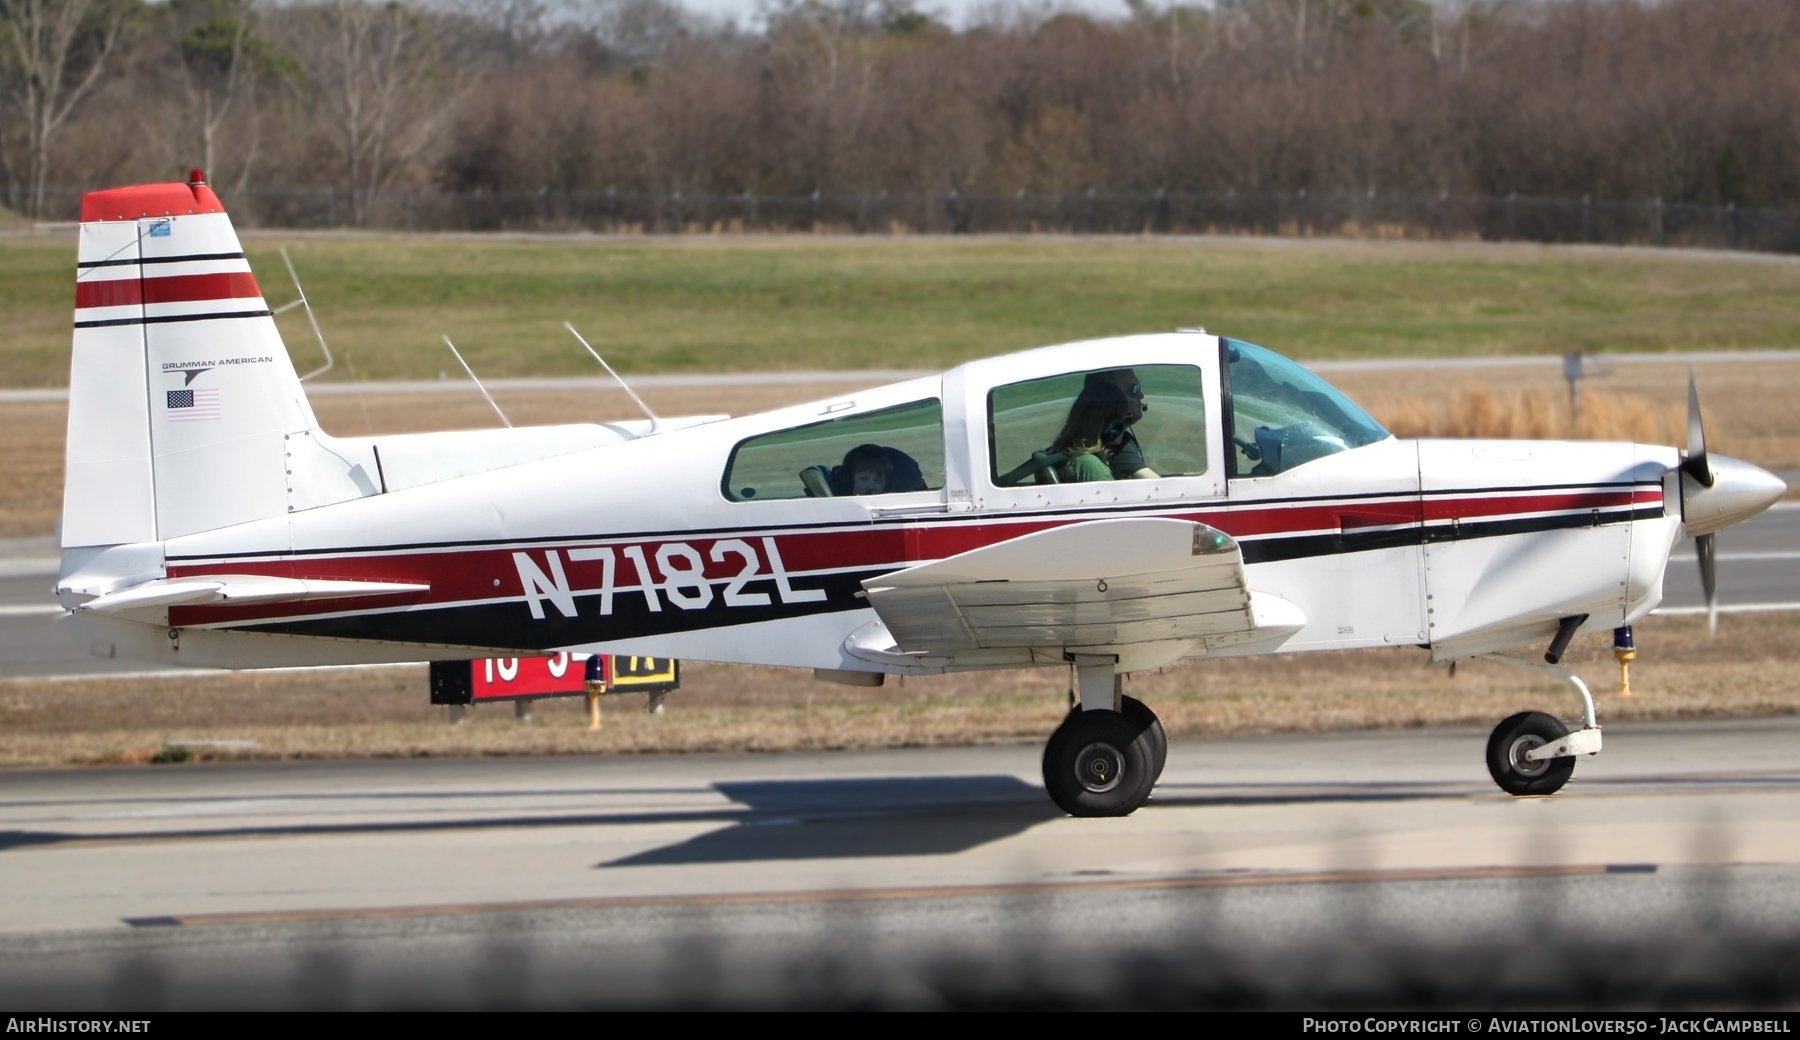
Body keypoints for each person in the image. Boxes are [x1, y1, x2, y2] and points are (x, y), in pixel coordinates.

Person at [1048, 381, 1132, 483]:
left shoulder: (1068, 454)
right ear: (1111, 427)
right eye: (1124, 420)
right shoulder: (1089, 465)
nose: (1125, 427)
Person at [1082, 369, 1158, 479]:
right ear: (1107, 400)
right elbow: (1161, 488)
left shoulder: (1121, 439)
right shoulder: (1115, 452)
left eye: (1139, 387)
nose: (1141, 395)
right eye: (1134, 389)